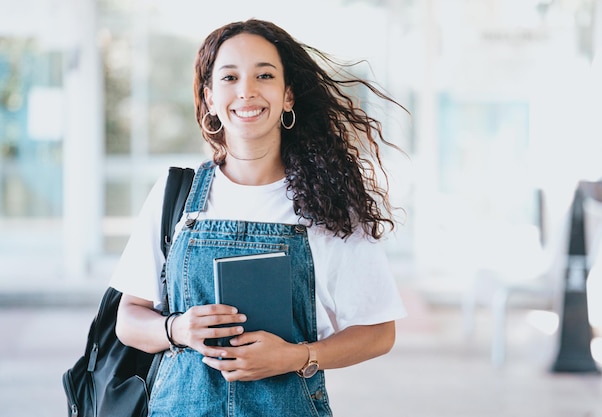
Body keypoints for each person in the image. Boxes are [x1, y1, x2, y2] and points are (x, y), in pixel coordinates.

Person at [111, 18, 407, 417]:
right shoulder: (175, 197)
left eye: (263, 75)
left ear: (288, 96)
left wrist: (298, 357)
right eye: (229, 77)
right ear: (210, 98)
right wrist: (178, 329)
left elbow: (379, 333)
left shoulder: (331, 206)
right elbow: (128, 319)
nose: (246, 91)